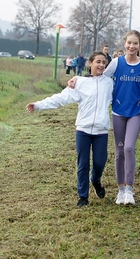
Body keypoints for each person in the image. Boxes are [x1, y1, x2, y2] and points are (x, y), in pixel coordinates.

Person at [68, 30, 140, 206]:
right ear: (124, 44)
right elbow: (98, 76)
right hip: (118, 112)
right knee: (120, 151)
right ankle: (120, 190)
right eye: (129, 43)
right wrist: (77, 79)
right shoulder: (116, 62)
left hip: (135, 112)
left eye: (135, 43)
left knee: (130, 148)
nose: (132, 46)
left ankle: (129, 189)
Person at [26, 52, 113, 208]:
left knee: (100, 162)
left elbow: (123, 97)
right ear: (90, 63)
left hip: (101, 131)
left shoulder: (109, 83)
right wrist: (38, 105)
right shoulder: (79, 83)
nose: (101, 65)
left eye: (103, 62)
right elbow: (60, 98)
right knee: (83, 164)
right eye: (98, 62)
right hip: (83, 130)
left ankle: (96, 180)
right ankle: (83, 197)